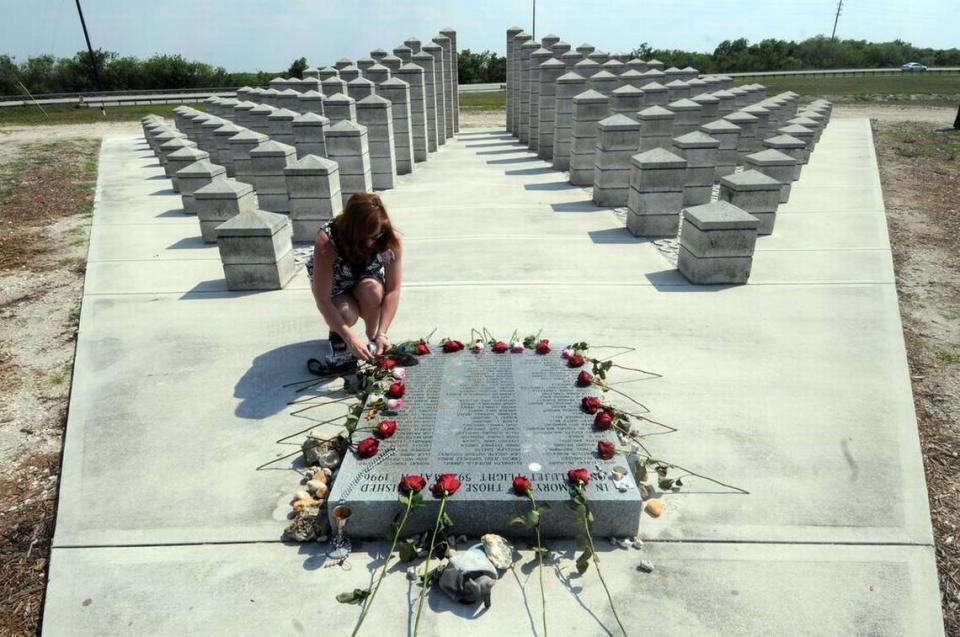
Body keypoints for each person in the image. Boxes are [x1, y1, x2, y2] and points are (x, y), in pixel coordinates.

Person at [306, 192, 403, 373]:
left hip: (366, 277)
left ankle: (373, 336)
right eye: (365, 236)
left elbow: (393, 290)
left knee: (373, 292)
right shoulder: (327, 241)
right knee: (346, 314)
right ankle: (338, 337)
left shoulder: (388, 238)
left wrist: (382, 332)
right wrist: (350, 338)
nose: (370, 242)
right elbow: (322, 299)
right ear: (351, 229)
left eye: (376, 235)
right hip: (336, 284)